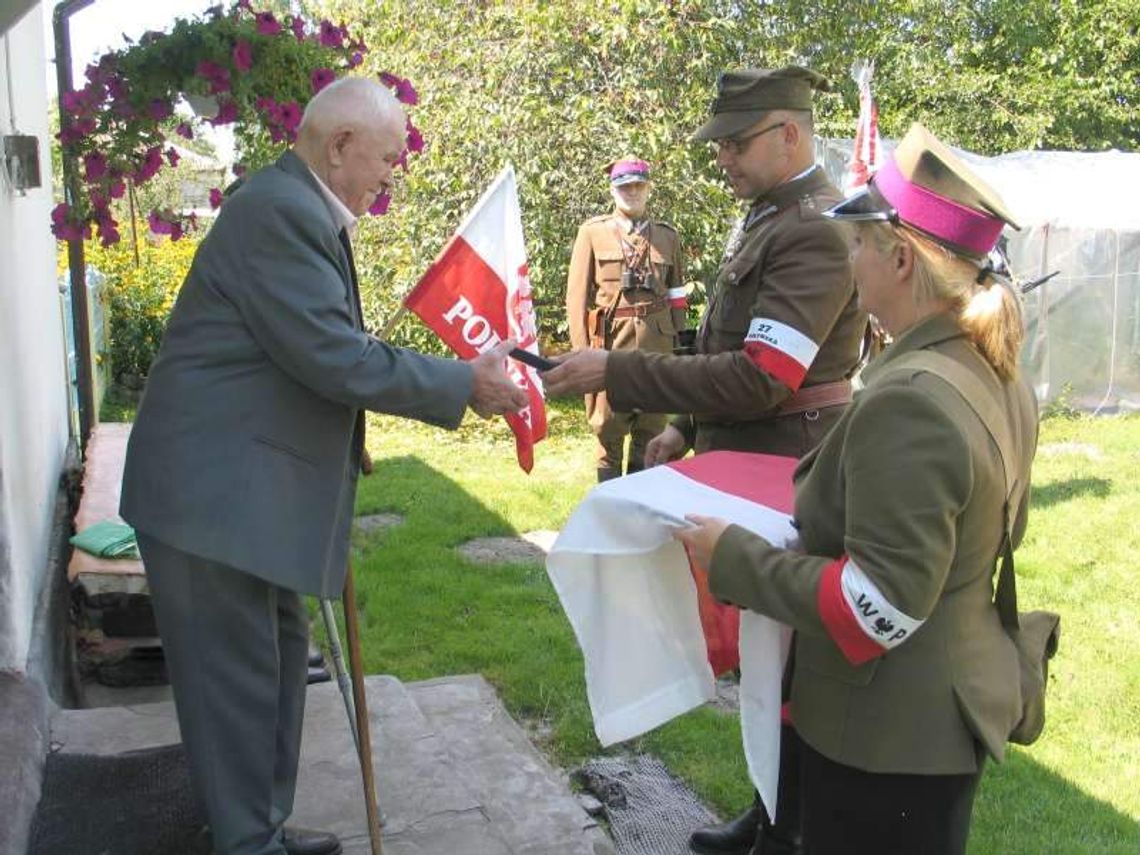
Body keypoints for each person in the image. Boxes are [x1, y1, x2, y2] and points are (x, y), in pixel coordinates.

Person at [120, 77, 527, 855]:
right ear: (338, 146)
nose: (390, 175)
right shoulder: (279, 211)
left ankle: (258, 825)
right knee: (235, 692)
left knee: (271, 677)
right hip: (213, 504)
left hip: (240, 497)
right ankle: (246, 840)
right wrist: (463, 380)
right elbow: (333, 354)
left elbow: (293, 354)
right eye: (384, 157)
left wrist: (345, 434)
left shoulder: (295, 206)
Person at [674, 122, 1038, 855]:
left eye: (860, 242)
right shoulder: (987, 369)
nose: (850, 255)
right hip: (927, 722)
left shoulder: (914, 399)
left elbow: (882, 605)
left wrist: (734, 558)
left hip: (890, 739)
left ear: (900, 258)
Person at [544, 67, 867, 855]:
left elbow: (765, 375)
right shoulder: (769, 215)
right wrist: (687, 426)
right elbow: (732, 346)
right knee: (769, 656)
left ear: (790, 134)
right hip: (751, 450)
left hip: (794, 465)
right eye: (718, 141)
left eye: (734, 141)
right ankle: (771, 814)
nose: (719, 155)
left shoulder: (816, 226)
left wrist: (615, 370)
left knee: (795, 667)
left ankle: (791, 829)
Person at [565, 156, 688, 481]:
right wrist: (581, 351)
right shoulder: (592, 233)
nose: (631, 192)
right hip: (611, 343)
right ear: (613, 190)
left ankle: (638, 508)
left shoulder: (667, 237)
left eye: (638, 186)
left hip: (656, 345)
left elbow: (677, 294)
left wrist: (680, 343)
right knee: (608, 428)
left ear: (648, 189)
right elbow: (576, 296)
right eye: (624, 187)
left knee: (651, 429)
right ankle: (608, 506)